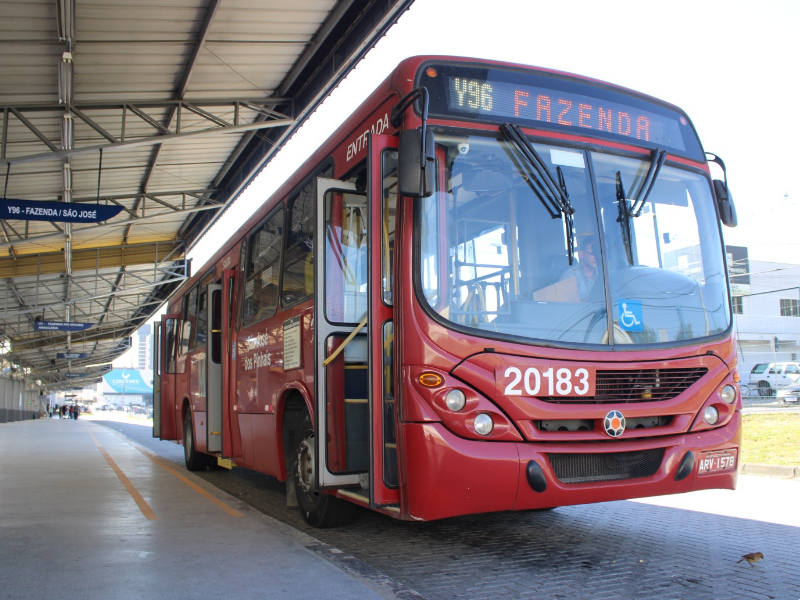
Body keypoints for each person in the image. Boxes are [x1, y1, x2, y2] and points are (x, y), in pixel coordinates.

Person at [559, 235, 599, 301]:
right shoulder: (569, 276)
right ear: (581, 254)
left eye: (597, 253)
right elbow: (567, 307)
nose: (595, 257)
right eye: (592, 253)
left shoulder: (603, 273)